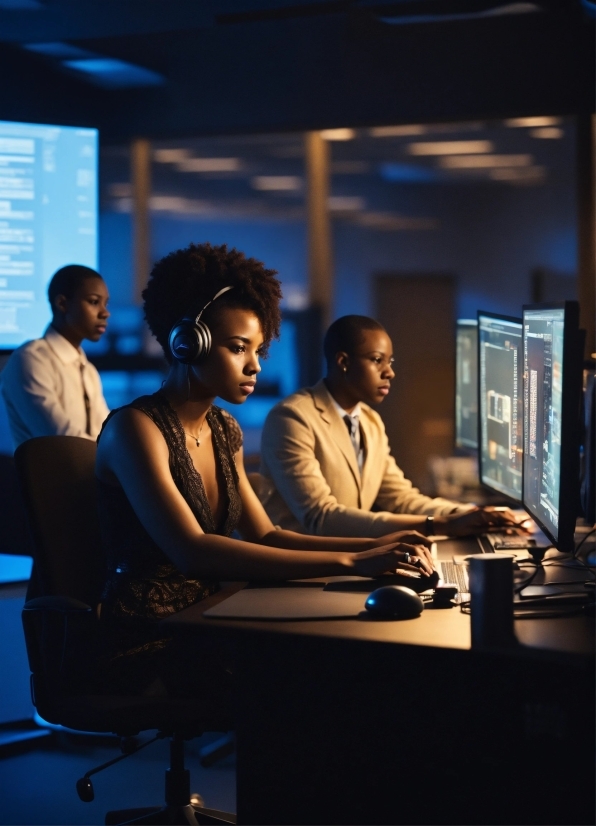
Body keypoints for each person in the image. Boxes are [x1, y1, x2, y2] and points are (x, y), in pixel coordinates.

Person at [95, 243, 434, 699]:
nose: (254, 365)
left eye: (258, 350)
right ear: (187, 342)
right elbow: (193, 552)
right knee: (324, 674)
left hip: (212, 613)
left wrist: (379, 546)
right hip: (149, 635)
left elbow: (266, 535)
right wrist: (354, 562)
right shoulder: (136, 430)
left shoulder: (223, 429)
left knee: (355, 653)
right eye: (238, 349)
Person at [259, 315, 519, 538]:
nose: (389, 372)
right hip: (300, 570)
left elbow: (401, 499)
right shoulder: (292, 418)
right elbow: (321, 517)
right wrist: (439, 525)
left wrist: (471, 514)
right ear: (343, 362)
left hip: (346, 559)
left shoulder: (370, 422)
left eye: (390, 362)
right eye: (377, 360)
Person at [1, 264, 110, 448]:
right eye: (93, 302)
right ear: (62, 304)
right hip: (48, 476)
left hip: (87, 475)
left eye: (105, 303)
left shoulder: (88, 369)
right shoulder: (31, 359)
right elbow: (64, 442)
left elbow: (106, 433)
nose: (105, 313)